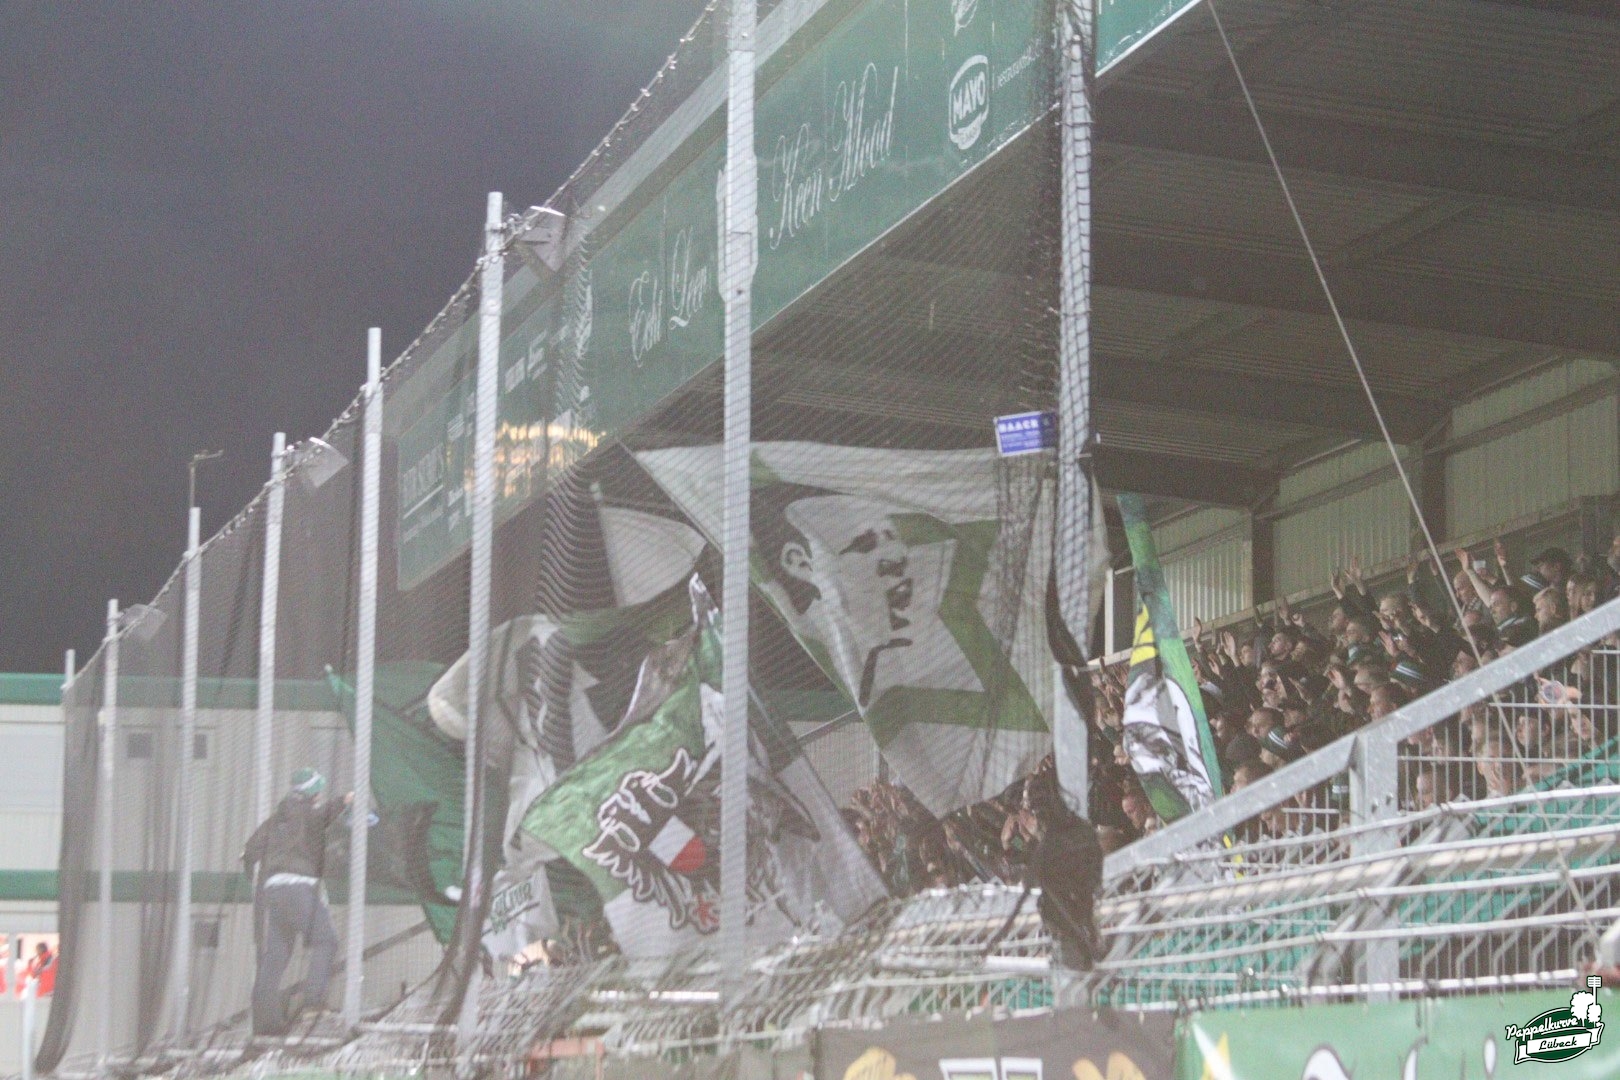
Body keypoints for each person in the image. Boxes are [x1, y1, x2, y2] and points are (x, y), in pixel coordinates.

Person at [241, 768, 349, 1035]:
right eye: (318, 791)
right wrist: (346, 799)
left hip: (273, 891)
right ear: (312, 793)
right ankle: (312, 1003)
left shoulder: (275, 820)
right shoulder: (308, 813)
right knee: (326, 940)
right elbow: (325, 813)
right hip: (298, 887)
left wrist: (253, 872)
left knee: (276, 956)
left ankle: (265, 1021)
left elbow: (249, 850)